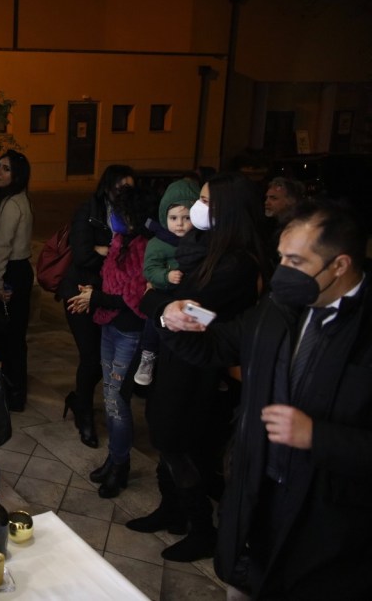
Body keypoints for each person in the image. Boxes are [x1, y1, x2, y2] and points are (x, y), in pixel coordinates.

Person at [158, 199, 370, 598]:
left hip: (330, 525)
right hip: (258, 496)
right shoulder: (279, 306)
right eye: (281, 258)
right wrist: (173, 318)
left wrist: (317, 436)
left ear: (339, 265)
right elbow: (221, 343)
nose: (281, 272)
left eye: (295, 261)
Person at [135, 172, 266, 562]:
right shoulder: (200, 246)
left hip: (200, 368)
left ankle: (201, 528)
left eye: (206, 202)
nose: (197, 209)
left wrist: (159, 302)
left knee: (180, 444)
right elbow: (167, 302)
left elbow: (193, 312)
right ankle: (170, 509)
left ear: (229, 210)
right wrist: (163, 303)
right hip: (176, 354)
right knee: (164, 435)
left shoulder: (237, 263)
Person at [68, 186, 155, 498]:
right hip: (110, 326)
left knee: (118, 401)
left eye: (119, 212)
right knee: (109, 396)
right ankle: (115, 459)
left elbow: (133, 298)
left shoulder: (146, 248)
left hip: (130, 331)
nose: (113, 217)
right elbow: (109, 282)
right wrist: (92, 292)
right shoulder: (119, 241)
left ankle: (120, 465)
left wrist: (96, 297)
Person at [58, 165, 135, 447]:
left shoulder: (131, 213)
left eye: (130, 188)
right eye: (120, 187)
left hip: (107, 295)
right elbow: (82, 256)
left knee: (103, 362)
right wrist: (114, 253)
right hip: (79, 293)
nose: (125, 193)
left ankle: (79, 399)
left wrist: (104, 250)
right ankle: (85, 415)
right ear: (107, 186)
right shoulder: (88, 210)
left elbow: (135, 257)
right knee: (90, 357)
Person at [135, 177, 200, 385]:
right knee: (155, 323)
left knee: (200, 327)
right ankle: (148, 354)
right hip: (164, 294)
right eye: (173, 218)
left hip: (192, 301)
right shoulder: (159, 242)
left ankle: (209, 371)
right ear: (164, 217)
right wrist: (166, 276)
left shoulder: (202, 241)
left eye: (186, 217)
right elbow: (149, 269)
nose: (179, 224)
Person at [0, 150, 33, 412]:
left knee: (12, 336)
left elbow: (3, 247)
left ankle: (14, 393)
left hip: (12, 272)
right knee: (13, 335)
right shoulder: (16, 199)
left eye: (5, 168)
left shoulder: (12, 203)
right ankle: (13, 390)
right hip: (17, 270)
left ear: (17, 175)